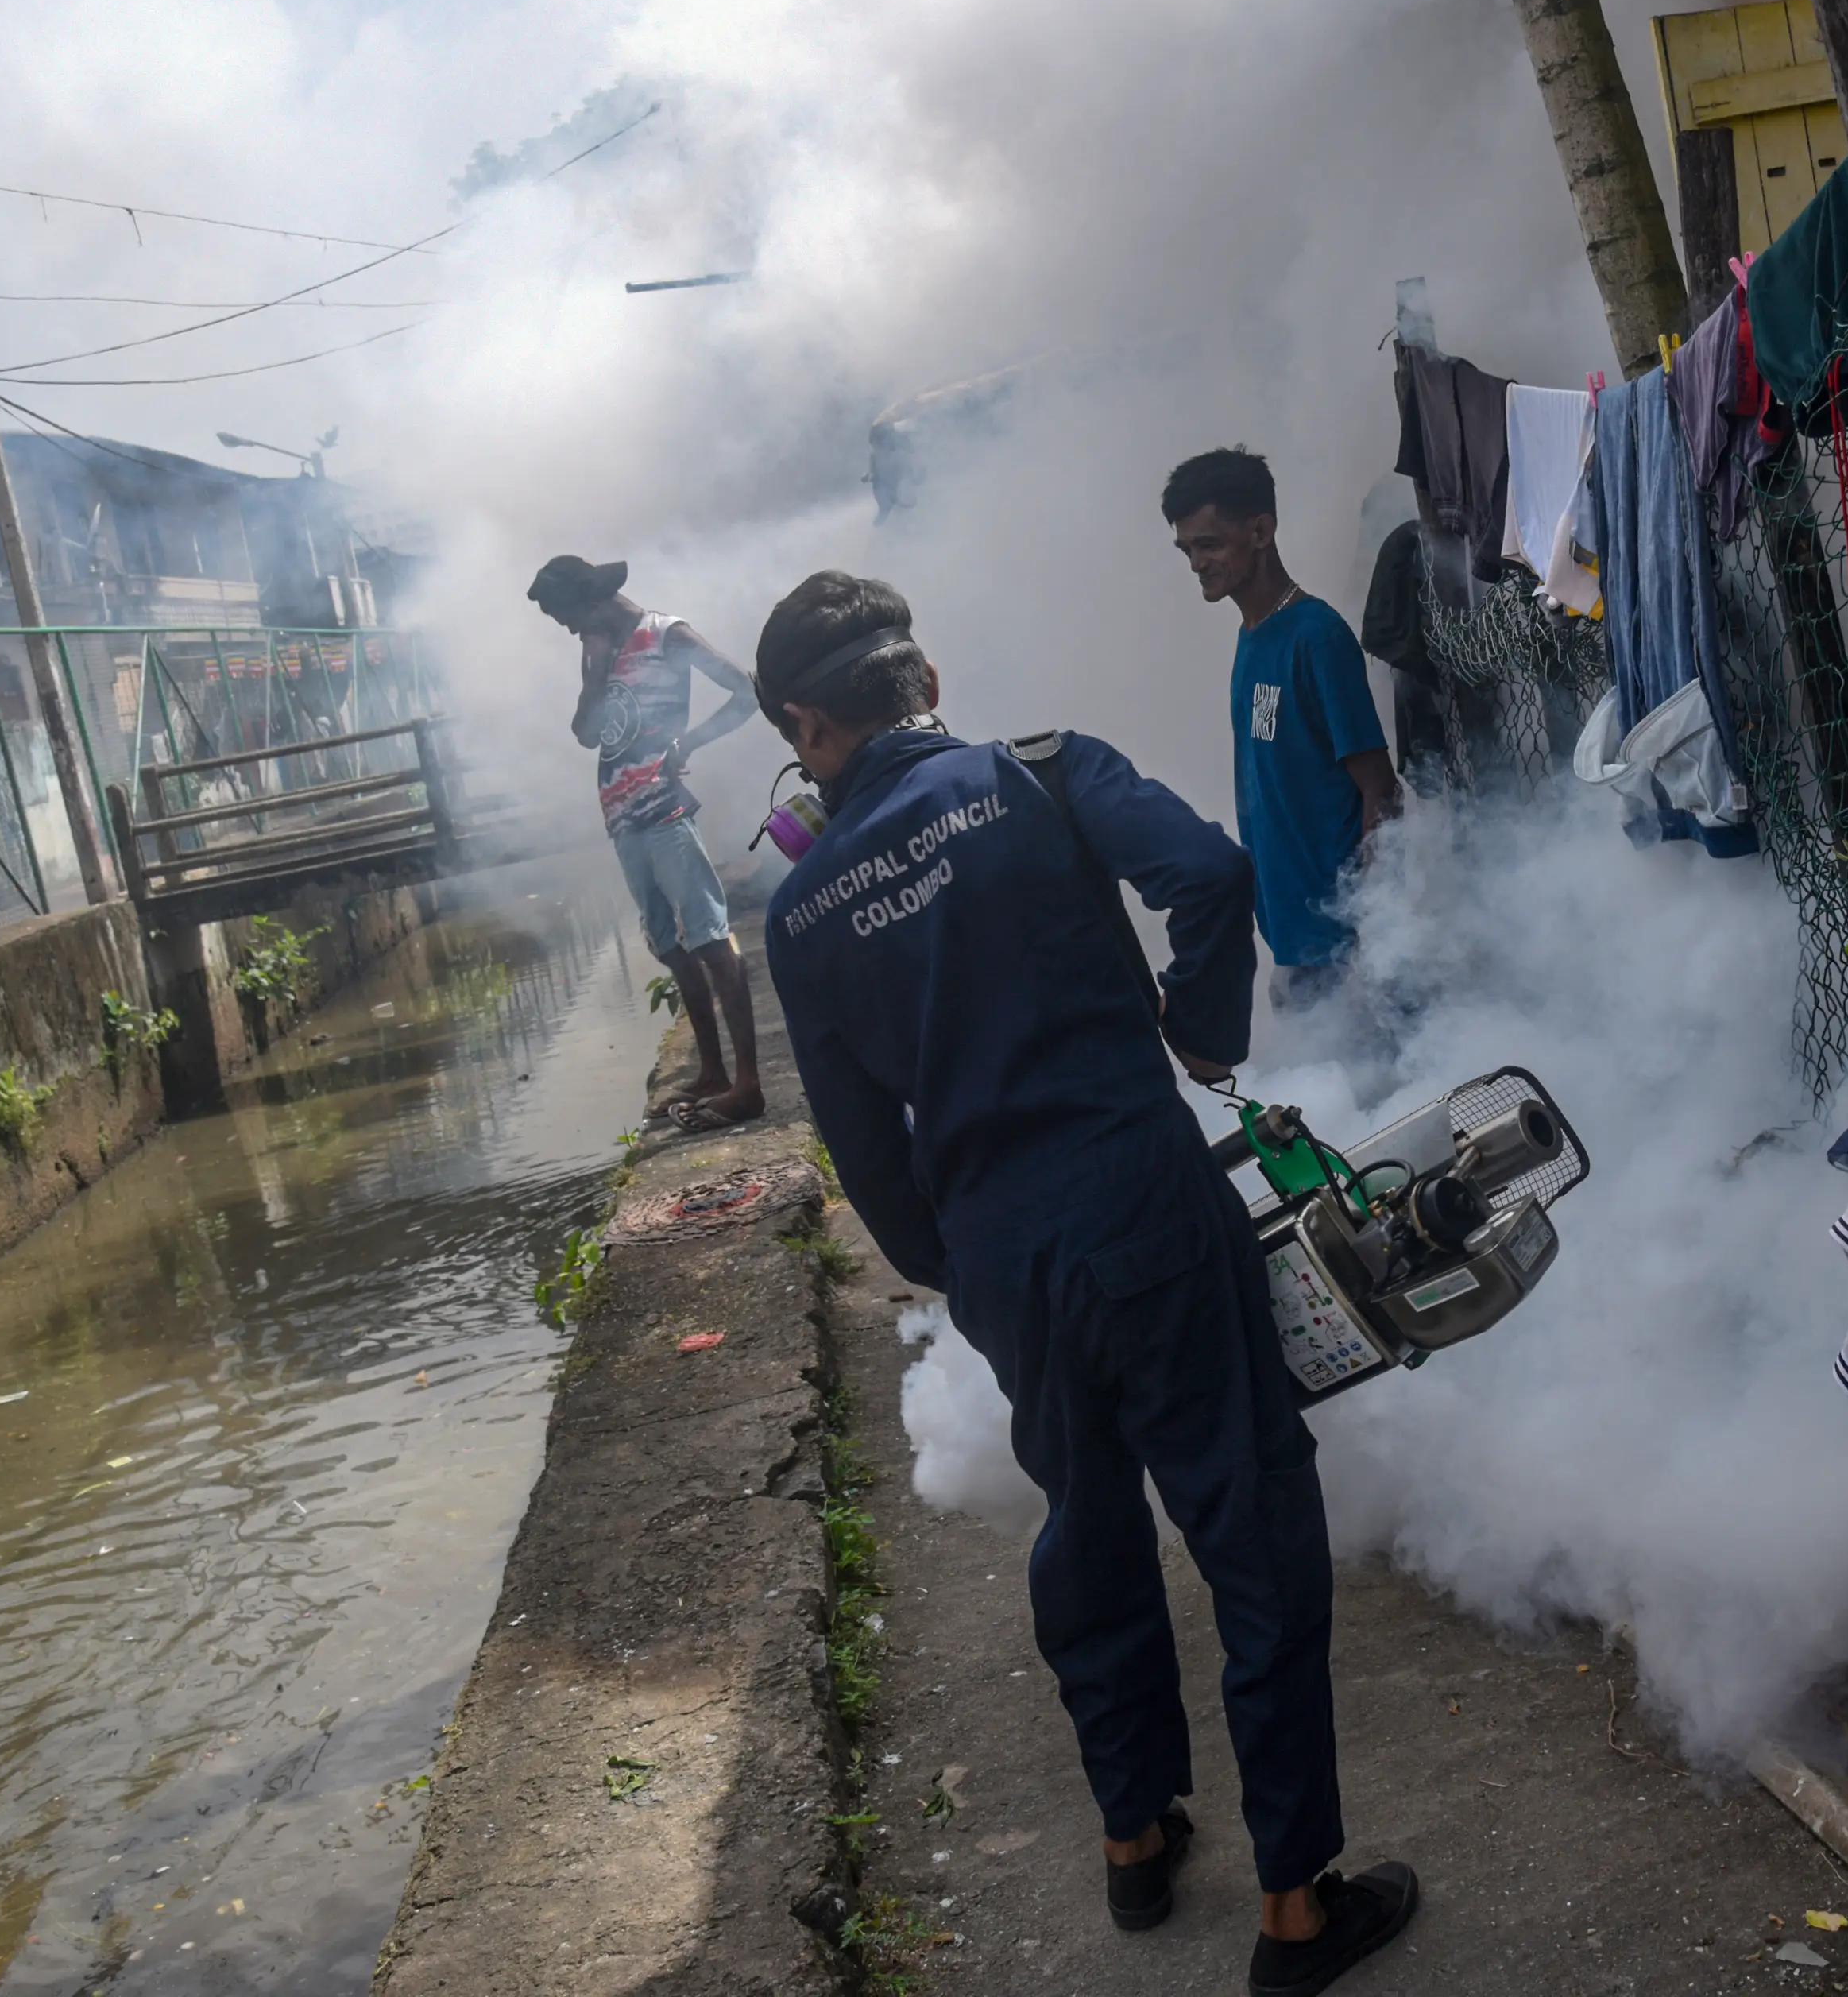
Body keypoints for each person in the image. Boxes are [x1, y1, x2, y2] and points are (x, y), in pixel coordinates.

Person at [755, 570, 1420, 1995]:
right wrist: (1203, 1033)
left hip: (1002, 1250)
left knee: (1090, 1525)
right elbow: (1212, 875)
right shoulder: (1042, 776)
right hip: (1141, 1199)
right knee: (1251, 1529)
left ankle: (1135, 1836)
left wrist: (961, 1262)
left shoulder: (800, 915)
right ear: (925, 684)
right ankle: (1295, 1912)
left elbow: (864, 1149)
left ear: (808, 726)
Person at [528, 554, 767, 1128]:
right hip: (622, 818)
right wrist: (594, 675)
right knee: (669, 945)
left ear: (593, 601)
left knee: (710, 939)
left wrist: (690, 743)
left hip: (664, 811)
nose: (570, 631)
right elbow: (585, 735)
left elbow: (746, 690)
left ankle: (749, 1085)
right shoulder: (601, 652)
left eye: (569, 618)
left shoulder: (666, 636)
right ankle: (712, 1073)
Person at [1162, 448, 1400, 1012]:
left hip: (1344, 949)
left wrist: (1373, 934)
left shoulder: (1317, 637)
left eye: (1209, 544)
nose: (1196, 563)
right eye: (1187, 549)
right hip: (1294, 945)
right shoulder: (1251, 637)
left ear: (1260, 532)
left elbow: (1381, 791)